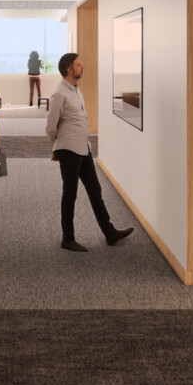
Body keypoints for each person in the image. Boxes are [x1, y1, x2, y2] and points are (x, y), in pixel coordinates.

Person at [45, 52, 134, 252]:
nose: (82, 66)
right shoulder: (60, 93)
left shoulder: (75, 89)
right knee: (70, 194)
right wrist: (58, 147)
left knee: (95, 191)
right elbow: (50, 127)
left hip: (83, 149)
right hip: (69, 150)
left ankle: (109, 233)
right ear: (69, 70)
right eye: (78, 64)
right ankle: (67, 237)